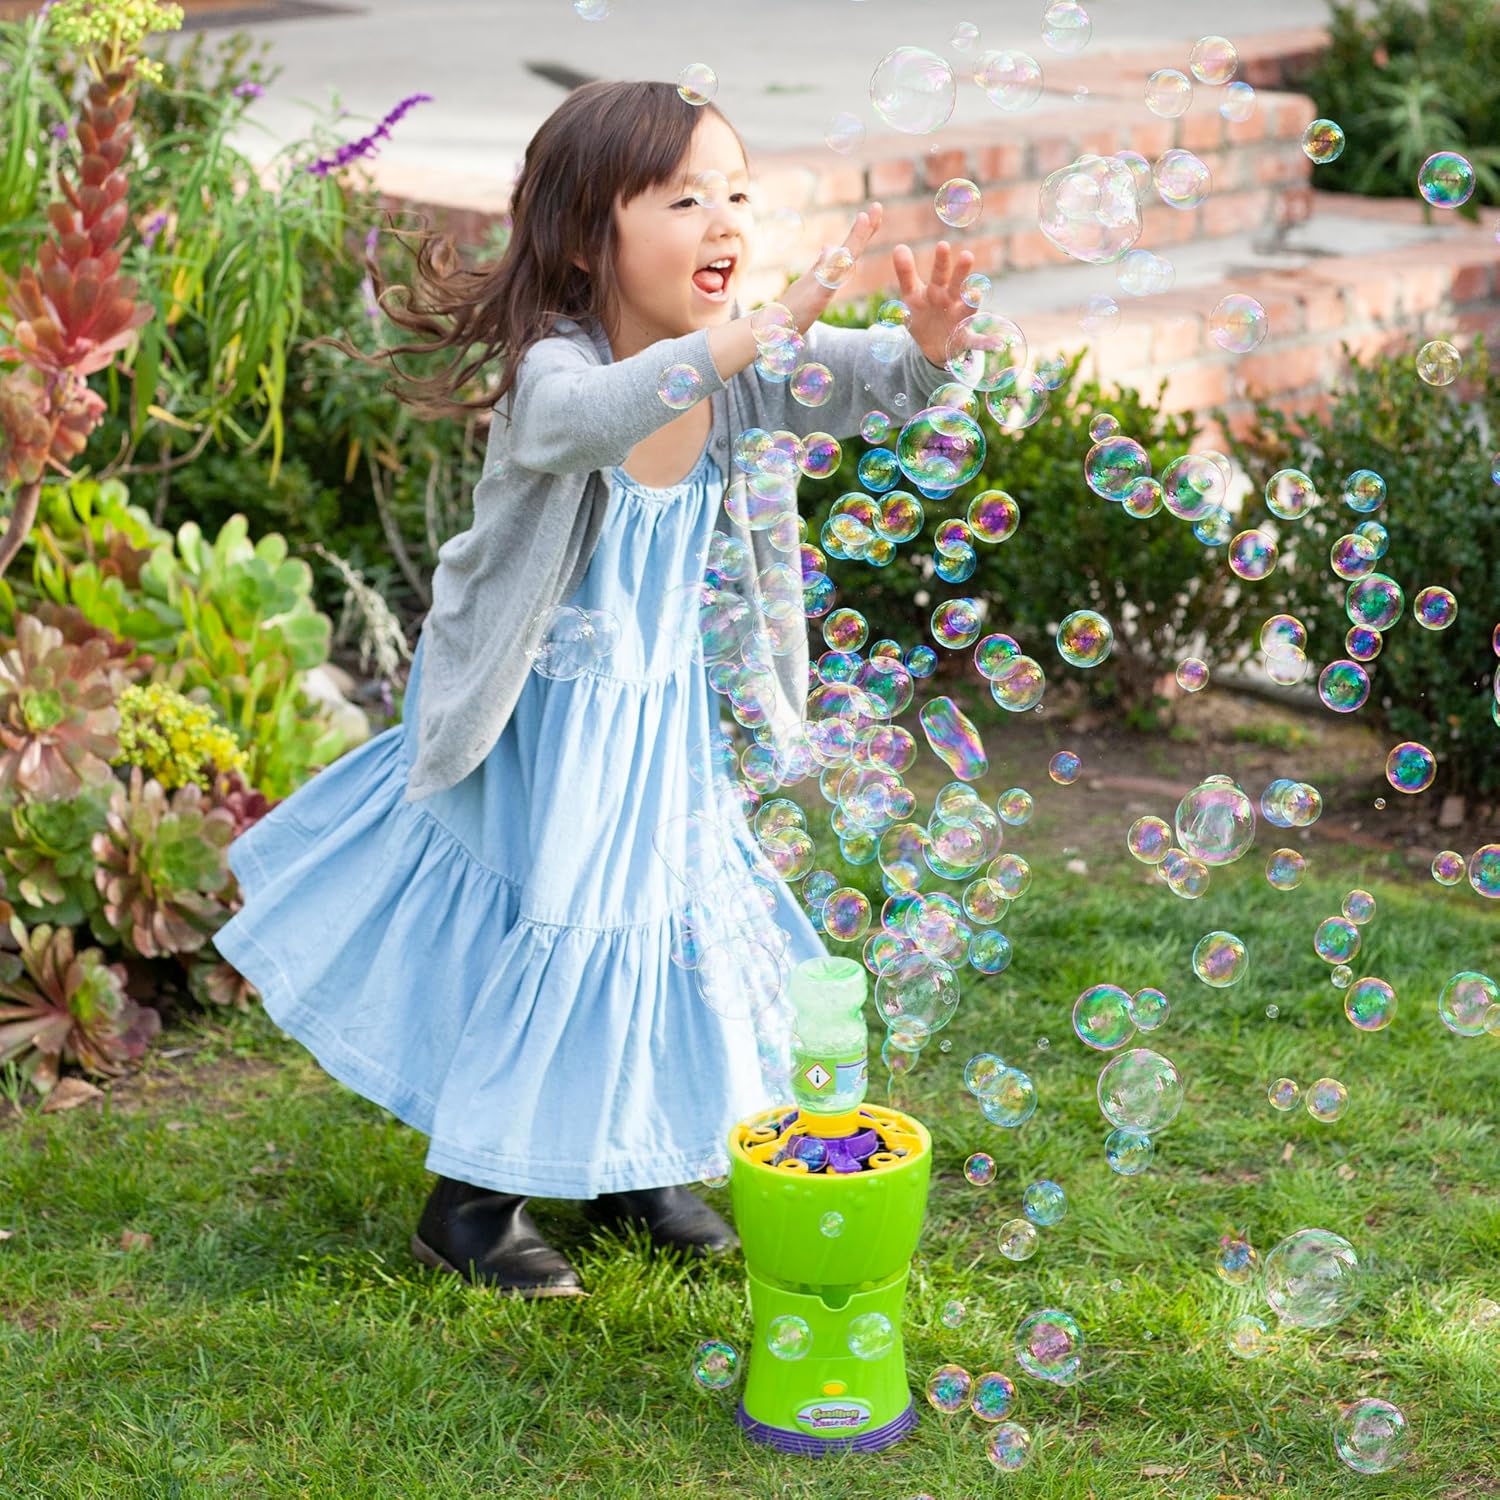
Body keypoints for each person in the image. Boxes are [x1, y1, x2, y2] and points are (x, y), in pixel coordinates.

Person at [212, 78, 977, 1298]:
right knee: (561, 931)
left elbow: (868, 381)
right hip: (536, 727)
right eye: (684, 199)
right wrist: (757, 331)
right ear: (586, 237)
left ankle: (634, 1163)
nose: (724, 222)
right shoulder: (557, 371)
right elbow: (602, 416)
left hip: (658, 723)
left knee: (660, 927)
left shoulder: (747, 372)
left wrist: (930, 352)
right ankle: (471, 1206)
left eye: (738, 195)